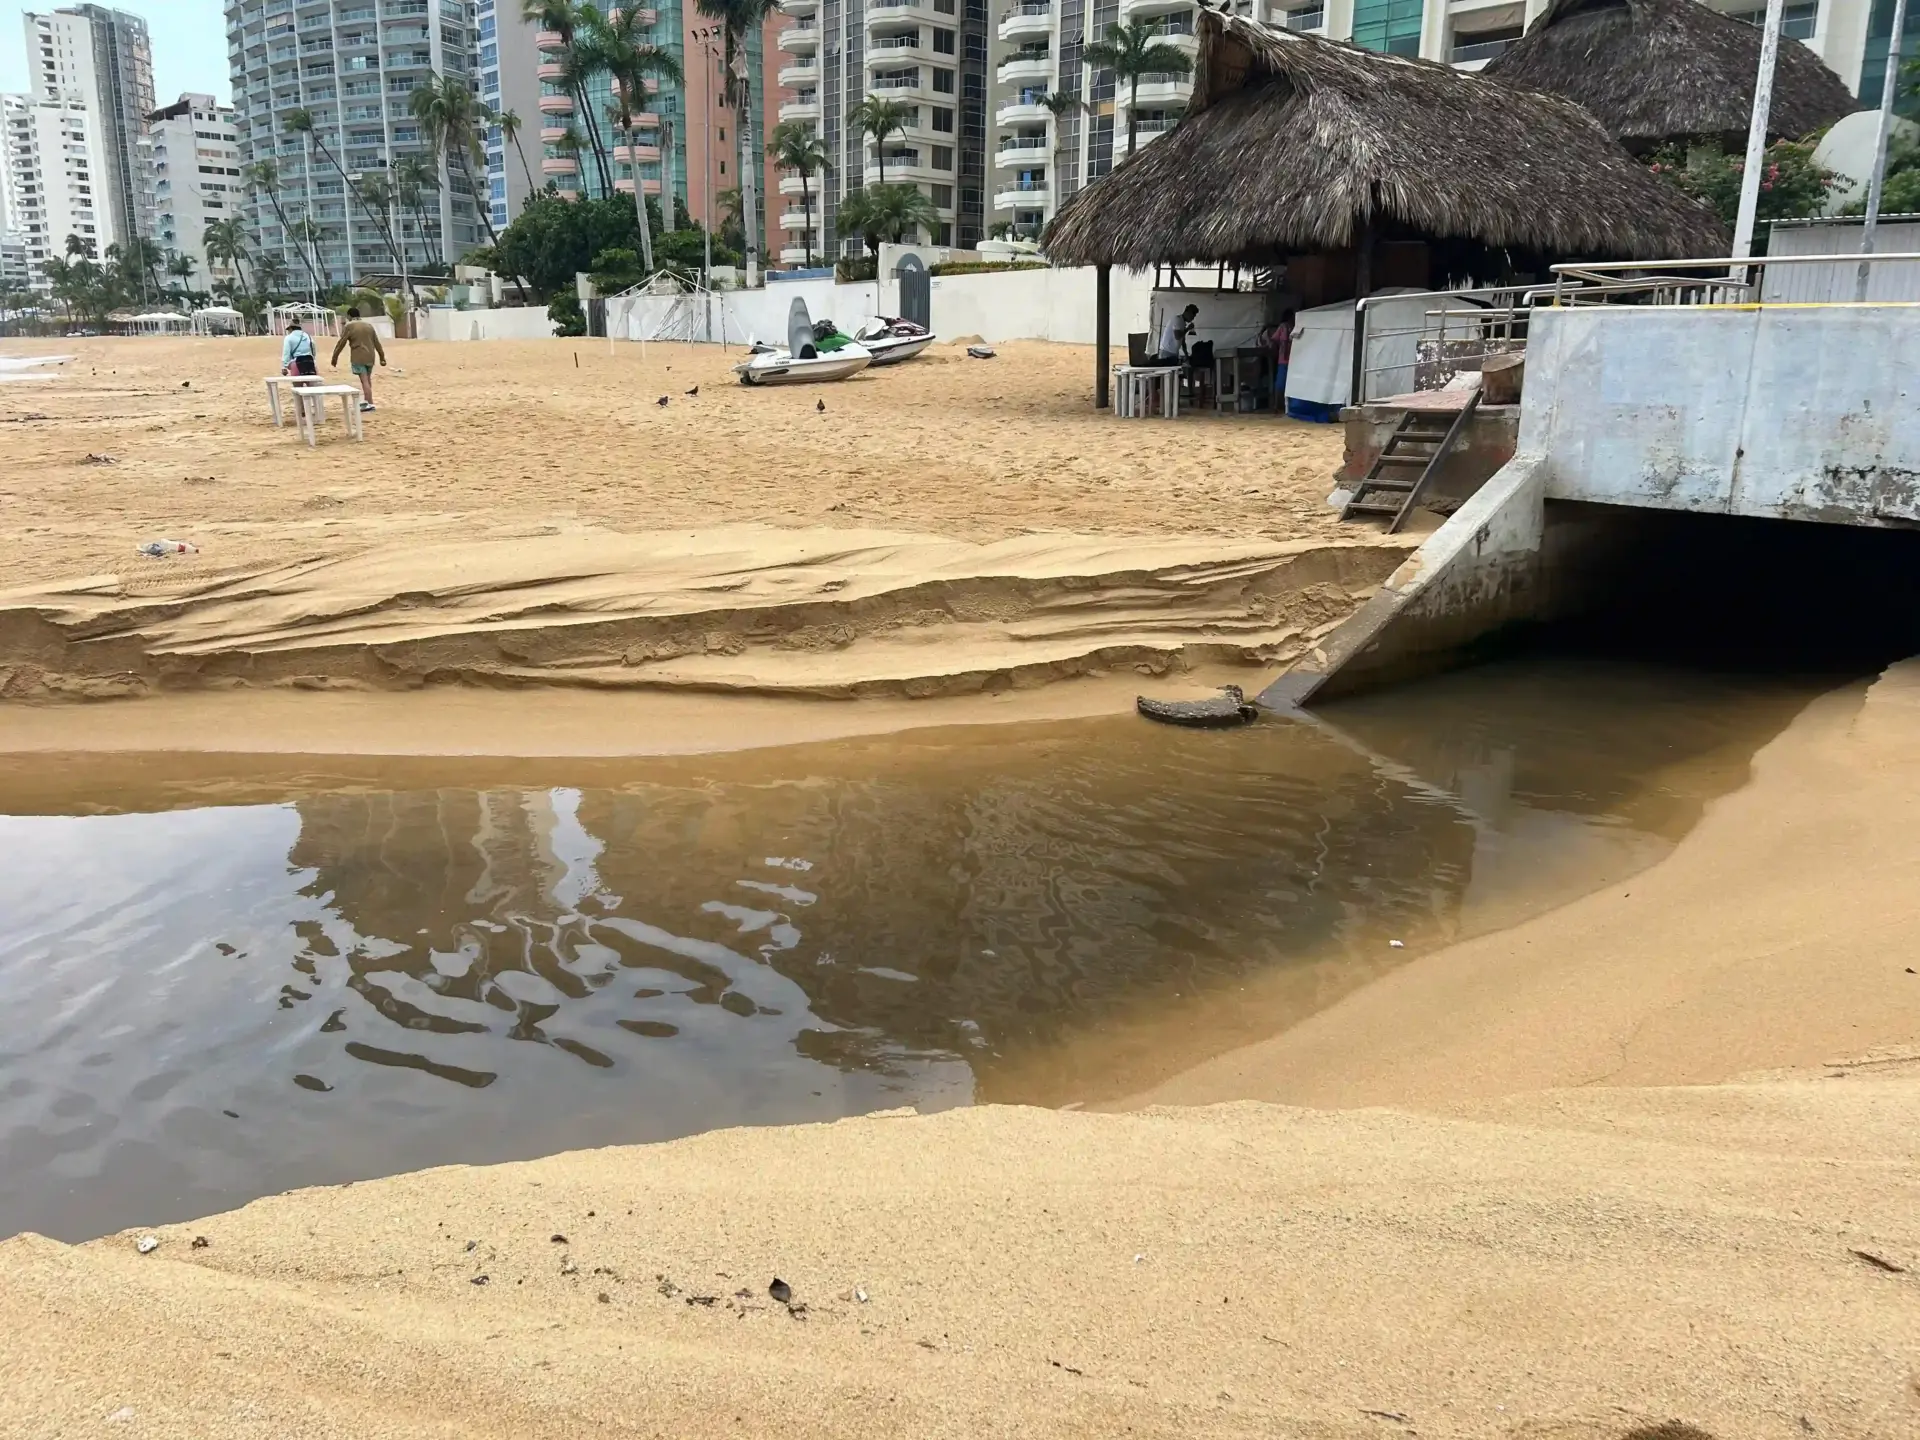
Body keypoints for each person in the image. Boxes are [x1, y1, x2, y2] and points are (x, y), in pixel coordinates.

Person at [331, 306, 387, 412]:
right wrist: (382, 357)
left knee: (364, 380)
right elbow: (376, 342)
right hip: (370, 356)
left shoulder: (349, 326)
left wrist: (335, 357)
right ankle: (368, 401)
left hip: (358, 356)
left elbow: (341, 342)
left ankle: (370, 403)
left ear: (349, 316)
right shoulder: (368, 326)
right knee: (368, 379)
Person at [1270, 308, 1296, 411]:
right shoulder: (1285, 327)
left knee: (1282, 382)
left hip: (1288, 359)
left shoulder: (1289, 327)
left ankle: (1280, 405)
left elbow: (1274, 340)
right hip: (1287, 360)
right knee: (1282, 382)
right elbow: (1276, 340)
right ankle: (1278, 405)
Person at [280, 319, 318, 383]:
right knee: (312, 388)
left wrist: (284, 366)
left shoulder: (288, 338)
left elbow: (286, 353)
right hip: (310, 362)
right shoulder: (308, 336)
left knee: (297, 389)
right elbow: (313, 350)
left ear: (291, 328)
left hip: (296, 363)